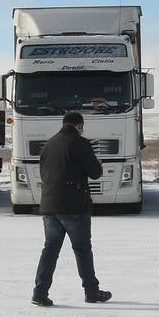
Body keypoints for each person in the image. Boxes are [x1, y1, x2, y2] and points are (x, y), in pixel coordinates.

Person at [31, 111, 112, 306]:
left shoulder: (49, 144)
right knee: (83, 249)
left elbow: (44, 174)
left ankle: (39, 292)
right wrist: (97, 164)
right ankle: (91, 292)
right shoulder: (80, 143)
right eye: (82, 127)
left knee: (50, 250)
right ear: (79, 125)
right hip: (74, 206)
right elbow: (95, 173)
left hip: (50, 206)